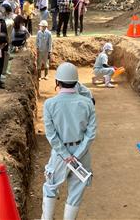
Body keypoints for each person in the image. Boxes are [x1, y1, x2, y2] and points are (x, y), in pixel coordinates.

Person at [42, 62, 96, 220]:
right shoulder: (87, 103)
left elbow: (51, 135)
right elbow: (91, 133)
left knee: (51, 186)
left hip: (60, 154)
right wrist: (77, 154)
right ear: (76, 81)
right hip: (82, 153)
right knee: (76, 191)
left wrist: (66, 155)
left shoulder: (50, 104)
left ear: (57, 82)